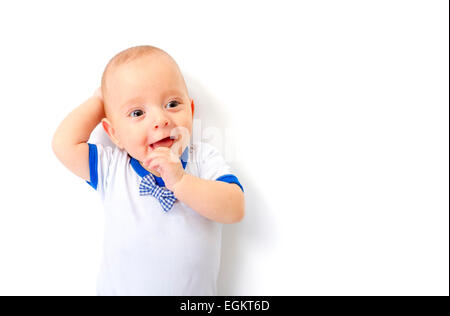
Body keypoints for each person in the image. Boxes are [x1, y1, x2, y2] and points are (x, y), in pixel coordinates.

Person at [52, 45, 245, 295]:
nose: (160, 120)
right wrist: (99, 100)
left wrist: (180, 182)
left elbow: (235, 208)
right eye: (137, 112)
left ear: (191, 109)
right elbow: (63, 144)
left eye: (173, 104)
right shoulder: (112, 168)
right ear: (114, 134)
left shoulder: (203, 159)